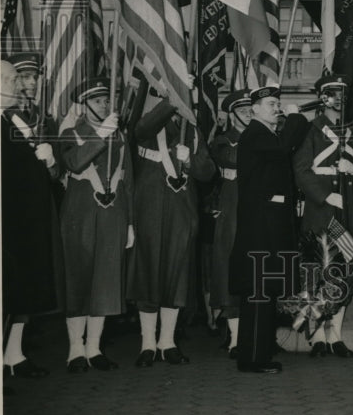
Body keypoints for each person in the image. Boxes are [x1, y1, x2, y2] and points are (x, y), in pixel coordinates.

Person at [126, 79, 215, 367]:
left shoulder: (192, 128)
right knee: (149, 271)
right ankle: (147, 343)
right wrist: (171, 100)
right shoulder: (151, 120)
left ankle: (168, 342)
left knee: (177, 273)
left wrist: (190, 162)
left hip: (181, 209)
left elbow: (207, 171)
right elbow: (140, 131)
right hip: (151, 205)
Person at [229, 86, 309, 374]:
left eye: (278, 103)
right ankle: (252, 358)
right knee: (258, 295)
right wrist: (296, 117)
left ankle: (259, 354)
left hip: (268, 229)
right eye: (272, 104)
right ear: (255, 110)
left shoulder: (265, 135)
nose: (278, 108)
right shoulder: (256, 135)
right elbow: (284, 147)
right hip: (260, 231)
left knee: (265, 294)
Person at [293, 74, 353, 358]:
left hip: (348, 208)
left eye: (343, 93)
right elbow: (300, 170)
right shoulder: (311, 129)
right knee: (318, 269)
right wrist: (324, 196)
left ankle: (336, 335)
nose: (340, 99)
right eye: (334, 93)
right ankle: (316, 337)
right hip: (322, 209)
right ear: (323, 97)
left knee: (343, 270)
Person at [59, 76, 133, 372]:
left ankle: (94, 348)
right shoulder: (70, 132)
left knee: (105, 280)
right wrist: (101, 134)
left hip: (113, 212)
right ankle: (75, 349)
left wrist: (130, 222)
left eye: (106, 100)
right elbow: (75, 163)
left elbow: (128, 179)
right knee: (79, 279)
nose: (104, 105)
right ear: (84, 105)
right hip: (80, 212)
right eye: (97, 101)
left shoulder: (120, 134)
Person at [1, 58, 60, 379]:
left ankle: (14, 353)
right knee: (12, 288)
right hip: (14, 216)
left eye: (33, 77)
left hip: (35, 211)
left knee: (26, 286)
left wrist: (48, 162)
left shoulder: (39, 119)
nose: (29, 83)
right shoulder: (4, 118)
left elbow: (54, 173)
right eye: (22, 77)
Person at [208, 90, 253, 356]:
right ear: (233, 114)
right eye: (244, 110)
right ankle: (236, 339)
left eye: (251, 109)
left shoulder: (264, 138)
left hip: (255, 210)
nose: (249, 113)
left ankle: (254, 333)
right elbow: (229, 161)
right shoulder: (223, 142)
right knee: (231, 271)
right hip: (232, 209)